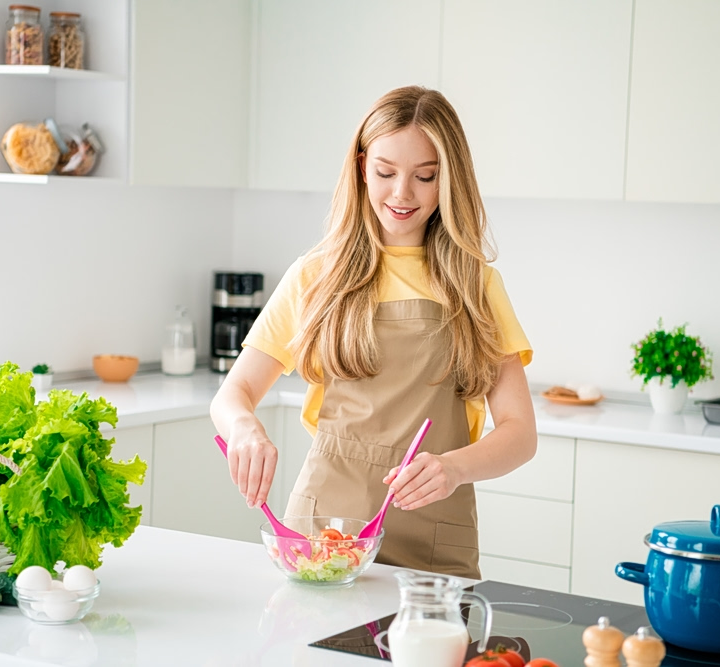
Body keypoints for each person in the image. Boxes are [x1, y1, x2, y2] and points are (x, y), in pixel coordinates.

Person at [209, 85, 536, 579]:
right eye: (385, 172)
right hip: (326, 521)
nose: (402, 194)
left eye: (425, 177)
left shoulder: (476, 285)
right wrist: (243, 429)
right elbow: (234, 392)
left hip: (435, 529)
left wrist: (455, 468)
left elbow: (520, 433)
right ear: (362, 167)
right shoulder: (316, 274)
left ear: (449, 180)